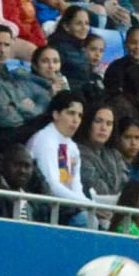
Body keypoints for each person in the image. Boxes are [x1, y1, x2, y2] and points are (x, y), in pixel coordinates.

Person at [27, 89, 88, 225]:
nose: (76, 120)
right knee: (86, 220)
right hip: (44, 207)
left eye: (80, 115)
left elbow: (76, 187)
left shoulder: (72, 147)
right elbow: (52, 186)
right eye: (71, 113)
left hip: (65, 208)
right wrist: (88, 206)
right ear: (56, 114)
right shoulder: (45, 139)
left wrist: (90, 206)